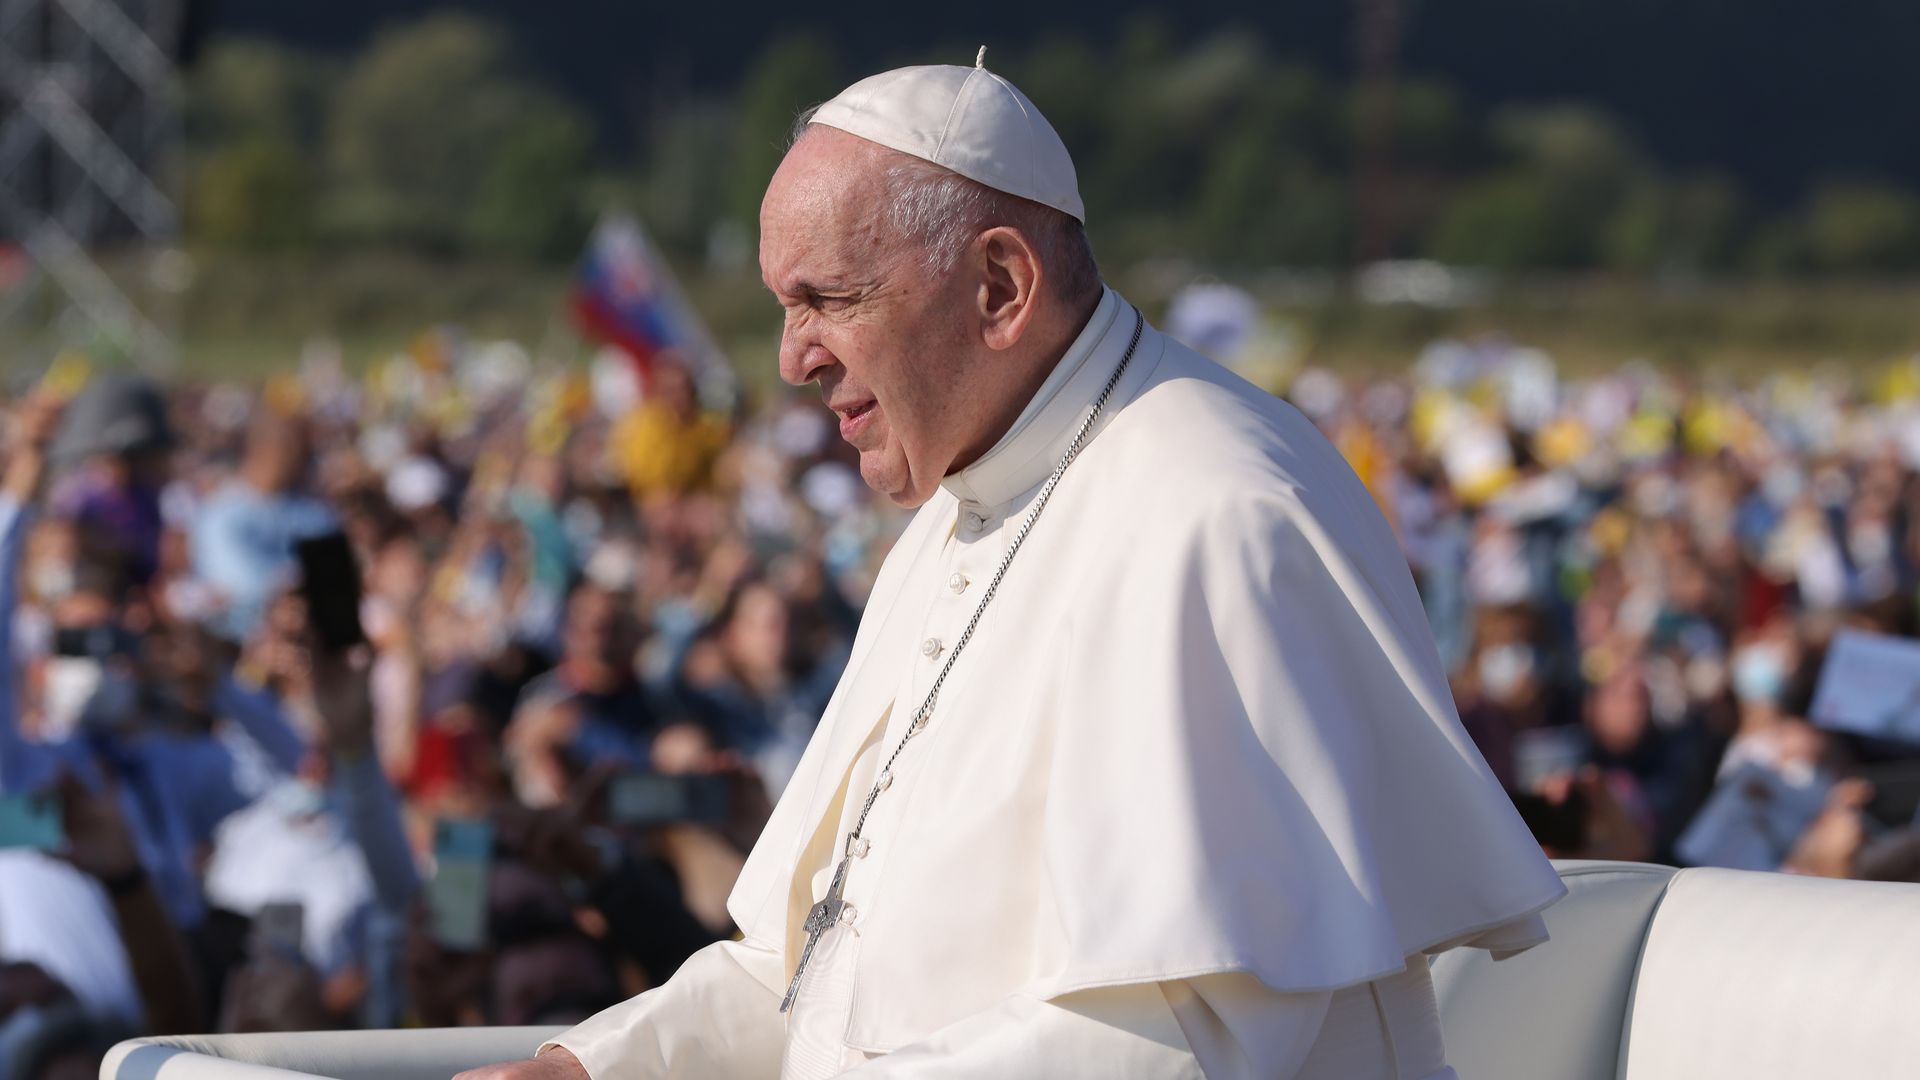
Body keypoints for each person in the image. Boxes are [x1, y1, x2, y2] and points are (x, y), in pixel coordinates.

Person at [487, 56, 1568, 1079]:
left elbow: (1178, 1036)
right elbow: (821, 964)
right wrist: (592, 1063)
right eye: (784, 307)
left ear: (1001, 284)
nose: (792, 358)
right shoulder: (958, 508)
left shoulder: (1214, 512)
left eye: (829, 299)